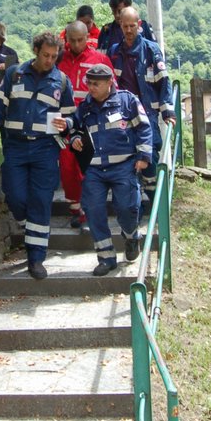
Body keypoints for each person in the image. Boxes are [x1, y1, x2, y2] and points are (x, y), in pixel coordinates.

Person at [0, 31, 75, 279]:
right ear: (35, 50)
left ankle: (36, 259)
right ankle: (28, 230)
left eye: (54, 57)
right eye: (45, 55)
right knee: (15, 196)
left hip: (46, 150)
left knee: (41, 202)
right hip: (16, 148)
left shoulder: (62, 82)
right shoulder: (15, 75)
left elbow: (72, 117)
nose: (49, 61)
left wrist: (67, 124)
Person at [69, 63, 152, 275]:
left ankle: (132, 237)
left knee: (127, 208)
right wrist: (76, 139)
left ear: (109, 83)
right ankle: (106, 258)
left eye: (96, 84)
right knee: (93, 210)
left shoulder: (127, 100)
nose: (91, 88)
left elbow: (144, 128)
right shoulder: (85, 107)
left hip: (123, 166)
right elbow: (76, 131)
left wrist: (143, 157)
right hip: (95, 170)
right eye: (89, 83)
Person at [107, 7, 174, 206]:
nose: (128, 30)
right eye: (125, 26)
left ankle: (158, 206)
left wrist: (168, 111)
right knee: (127, 158)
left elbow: (165, 82)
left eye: (132, 26)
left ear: (139, 25)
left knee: (150, 154)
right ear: (120, 26)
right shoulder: (114, 52)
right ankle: (134, 205)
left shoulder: (151, 50)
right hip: (123, 115)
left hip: (147, 114)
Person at [56, 21, 111, 228]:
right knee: (67, 168)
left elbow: (111, 89)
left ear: (88, 37)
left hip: (92, 121)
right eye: (73, 40)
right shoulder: (59, 60)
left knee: (89, 168)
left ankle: (89, 209)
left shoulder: (100, 59)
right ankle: (75, 208)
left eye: (81, 39)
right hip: (64, 124)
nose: (77, 44)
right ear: (66, 39)